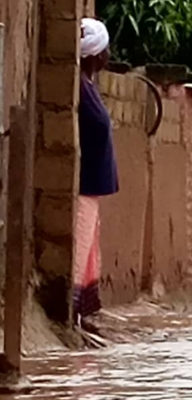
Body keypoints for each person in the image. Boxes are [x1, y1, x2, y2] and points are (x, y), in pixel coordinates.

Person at [73, 18, 119, 324]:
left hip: (93, 186)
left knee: (89, 246)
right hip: (84, 185)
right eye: (104, 50)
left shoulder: (88, 87)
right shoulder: (80, 88)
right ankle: (72, 307)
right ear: (95, 55)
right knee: (79, 246)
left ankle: (84, 311)